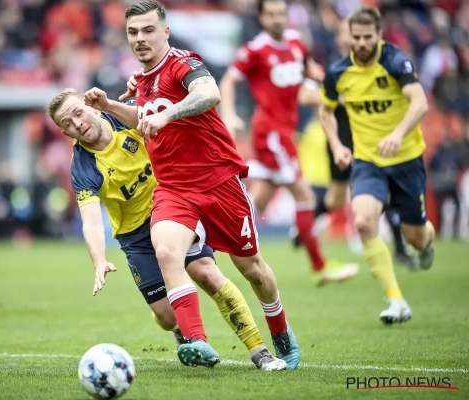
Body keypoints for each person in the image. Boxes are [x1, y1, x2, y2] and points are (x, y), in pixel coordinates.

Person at [97, 0, 300, 370]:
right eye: (133, 32)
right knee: (167, 253)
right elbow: (144, 118)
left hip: (219, 182)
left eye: (148, 30)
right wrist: (109, 105)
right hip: (173, 188)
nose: (140, 38)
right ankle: (197, 341)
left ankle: (281, 330)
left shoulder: (182, 63)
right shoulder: (140, 79)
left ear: (165, 32)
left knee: (253, 270)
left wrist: (168, 115)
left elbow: (210, 94)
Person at [48, 88, 287, 371]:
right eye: (68, 123)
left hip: (175, 209)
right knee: (166, 316)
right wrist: (99, 260)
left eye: (78, 113)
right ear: (65, 133)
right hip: (135, 235)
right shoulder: (82, 166)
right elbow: (91, 220)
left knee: (207, 274)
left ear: (92, 106)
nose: (77, 123)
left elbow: (172, 115)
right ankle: (179, 329)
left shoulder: (126, 117)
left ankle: (259, 351)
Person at [218, 0, 359, 286]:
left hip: (285, 131)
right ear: (261, 18)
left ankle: (215, 240)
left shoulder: (296, 43)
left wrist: (323, 80)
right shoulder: (256, 50)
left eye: (281, 13)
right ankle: (319, 265)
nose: (277, 19)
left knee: (259, 199)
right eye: (271, 14)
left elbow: (308, 71)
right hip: (271, 134)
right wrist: (229, 115)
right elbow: (228, 81)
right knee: (305, 196)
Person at [318, 7, 436, 324]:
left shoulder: (395, 61)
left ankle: (426, 240)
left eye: (367, 37)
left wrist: (397, 134)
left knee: (416, 238)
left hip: (406, 159)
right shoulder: (338, 72)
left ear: (379, 35)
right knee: (364, 221)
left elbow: (420, 102)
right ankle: (396, 300)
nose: (361, 43)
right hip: (368, 161)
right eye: (356, 37)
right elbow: (325, 111)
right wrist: (337, 145)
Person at [295, 19, 418, 268]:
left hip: (370, 139)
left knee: (385, 191)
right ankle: (302, 231)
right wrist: (334, 97)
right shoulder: (330, 68)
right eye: (347, 34)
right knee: (335, 200)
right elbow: (303, 94)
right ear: (341, 38)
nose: (354, 39)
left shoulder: (376, 64)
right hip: (341, 141)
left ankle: (400, 249)